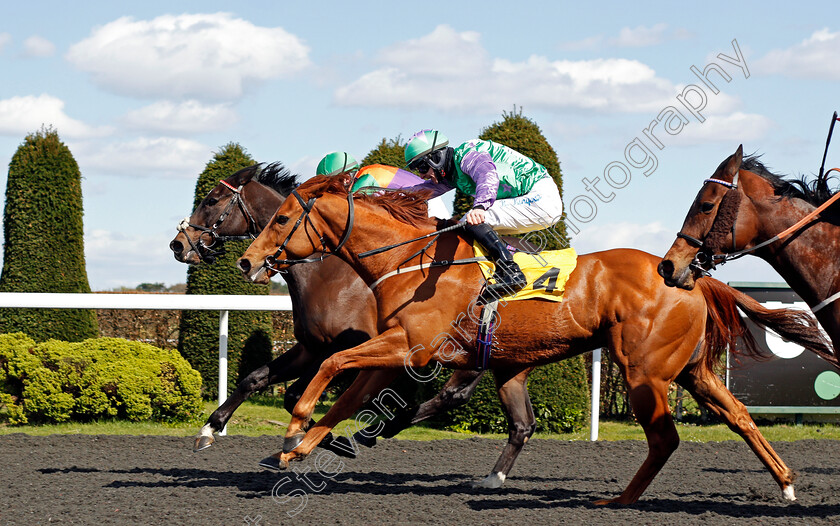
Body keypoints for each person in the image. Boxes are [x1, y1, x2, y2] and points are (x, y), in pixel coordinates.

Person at [403, 129, 564, 297]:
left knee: (471, 220)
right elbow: (418, 192)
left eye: (421, 167)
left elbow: (488, 175)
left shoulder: (468, 154)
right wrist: (380, 199)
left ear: (436, 158)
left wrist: (480, 206)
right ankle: (497, 273)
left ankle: (511, 273)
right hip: (531, 200)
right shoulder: (451, 175)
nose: (421, 175)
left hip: (540, 198)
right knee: (469, 228)